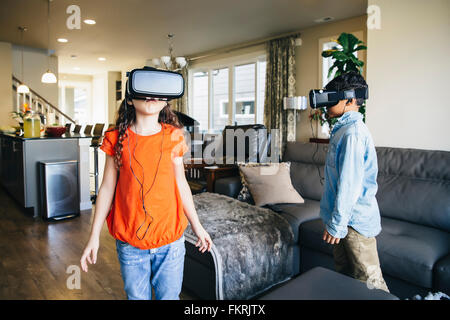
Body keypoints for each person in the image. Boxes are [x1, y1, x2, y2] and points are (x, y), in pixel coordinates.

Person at [80, 94, 213, 300]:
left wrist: (197, 225)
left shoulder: (174, 136)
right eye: (144, 92)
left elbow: (181, 184)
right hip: (131, 243)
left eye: (158, 93)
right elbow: (107, 187)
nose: (151, 97)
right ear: (131, 100)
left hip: (170, 242)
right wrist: (94, 235)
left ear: (166, 101)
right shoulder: (116, 137)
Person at [319, 71, 389, 292]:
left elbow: (350, 186)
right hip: (341, 221)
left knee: (369, 283)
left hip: (354, 223)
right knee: (345, 278)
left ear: (349, 99)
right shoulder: (342, 130)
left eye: (333, 97)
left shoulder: (353, 134)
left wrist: (337, 225)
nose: (327, 103)